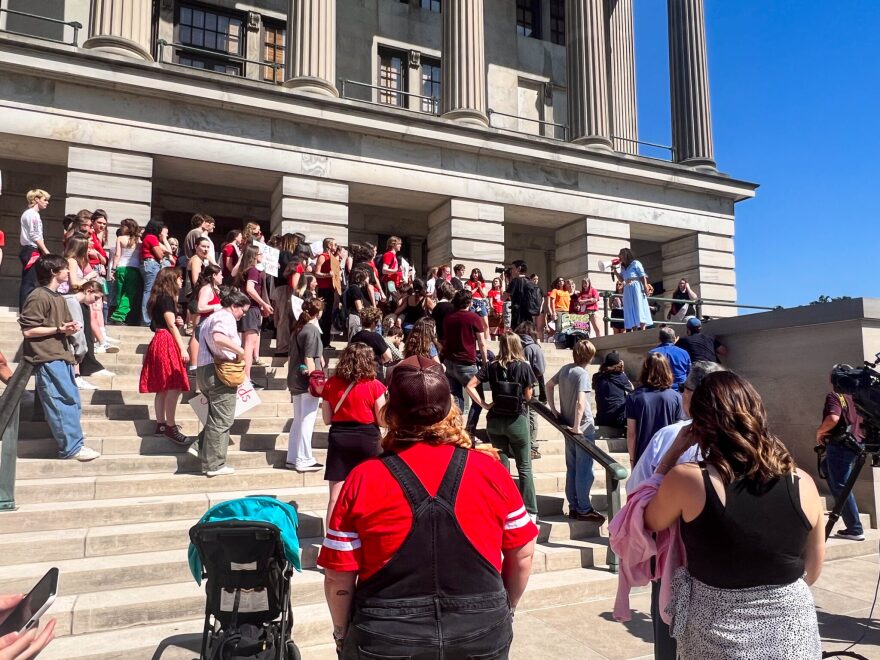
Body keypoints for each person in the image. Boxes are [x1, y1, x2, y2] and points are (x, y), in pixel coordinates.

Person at [319, 355, 538, 658]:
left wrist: (341, 633)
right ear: (450, 408)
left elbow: (338, 578)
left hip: (387, 633)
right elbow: (523, 553)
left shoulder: (363, 478)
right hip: (480, 628)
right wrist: (504, 610)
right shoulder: (491, 470)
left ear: (390, 411)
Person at [644, 371, 824, 659]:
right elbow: (813, 569)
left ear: (700, 425)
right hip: (793, 630)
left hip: (717, 632)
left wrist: (673, 452)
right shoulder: (803, 482)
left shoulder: (688, 480)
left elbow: (650, 520)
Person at [19, 255, 99, 461]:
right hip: (47, 356)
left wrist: (68, 331)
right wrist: (59, 329)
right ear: (54, 272)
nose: (68, 272)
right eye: (64, 269)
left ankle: (73, 439)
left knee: (70, 400)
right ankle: (71, 447)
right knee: (61, 400)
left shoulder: (58, 297)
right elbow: (28, 331)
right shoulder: (38, 296)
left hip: (62, 354)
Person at [466, 332, 538, 521]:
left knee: (501, 467)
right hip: (517, 420)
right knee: (524, 467)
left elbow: (470, 385)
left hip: (495, 420)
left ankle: (504, 507)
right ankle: (530, 510)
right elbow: (528, 396)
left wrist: (484, 404)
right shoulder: (524, 367)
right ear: (517, 346)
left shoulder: (491, 366)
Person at [628, 361, 724, 492]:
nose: (682, 393)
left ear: (691, 394)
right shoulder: (745, 438)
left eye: (683, 388)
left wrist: (668, 459)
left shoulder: (668, 435)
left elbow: (635, 490)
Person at [320, 342, 387, 524]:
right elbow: (381, 419)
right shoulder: (375, 385)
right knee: (373, 491)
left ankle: (330, 540)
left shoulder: (331, 384)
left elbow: (327, 419)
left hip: (339, 438)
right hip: (368, 439)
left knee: (336, 495)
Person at [189, 287, 250, 477]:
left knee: (216, 417)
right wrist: (241, 352)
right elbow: (219, 337)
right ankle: (214, 464)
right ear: (234, 306)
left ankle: (200, 446)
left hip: (205, 370)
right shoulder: (226, 317)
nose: (243, 315)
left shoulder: (210, 318)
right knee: (223, 419)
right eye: (243, 310)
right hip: (220, 372)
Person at [546, 339, 606, 524]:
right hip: (582, 428)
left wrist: (554, 410)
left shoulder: (565, 369)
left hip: (566, 424)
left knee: (572, 468)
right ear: (589, 356)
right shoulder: (582, 374)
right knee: (585, 470)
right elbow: (581, 402)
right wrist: (577, 426)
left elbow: (548, 384)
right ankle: (584, 508)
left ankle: (574, 506)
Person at [138, 267, 192, 446]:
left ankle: (161, 424)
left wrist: (177, 320)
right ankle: (170, 426)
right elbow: (171, 325)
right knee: (173, 385)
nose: (181, 281)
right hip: (166, 341)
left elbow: (166, 322)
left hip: (158, 339)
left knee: (162, 388)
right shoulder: (167, 298)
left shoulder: (157, 298)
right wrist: (183, 348)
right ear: (172, 279)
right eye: (179, 278)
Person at [816, 366, 866, 541]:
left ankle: (855, 528)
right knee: (827, 468)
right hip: (856, 444)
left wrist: (820, 432)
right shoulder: (858, 397)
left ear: (834, 379)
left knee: (841, 486)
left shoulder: (835, 396)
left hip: (841, 445)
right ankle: (850, 521)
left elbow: (833, 419)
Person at [287, 299, 326, 473]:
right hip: (306, 381)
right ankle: (303, 458)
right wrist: (315, 379)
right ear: (319, 313)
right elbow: (309, 357)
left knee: (298, 419)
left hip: (295, 378)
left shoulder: (298, 329)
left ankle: (293, 456)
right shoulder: (312, 330)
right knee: (307, 420)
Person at [626, 353, 684, 467]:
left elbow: (631, 434)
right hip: (667, 458)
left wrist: (632, 460)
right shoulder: (676, 397)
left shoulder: (634, 396)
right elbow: (679, 432)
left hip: (643, 458)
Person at [442, 289, 488, 416]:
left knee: (456, 400)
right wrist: (485, 363)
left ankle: (457, 428)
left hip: (450, 362)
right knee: (478, 400)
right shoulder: (474, 318)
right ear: (469, 302)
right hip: (466, 363)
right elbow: (482, 343)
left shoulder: (448, 317)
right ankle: (470, 431)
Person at [234, 244, 273, 380]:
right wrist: (264, 304)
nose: (262, 256)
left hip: (249, 309)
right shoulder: (253, 270)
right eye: (260, 254)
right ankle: (246, 378)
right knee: (249, 345)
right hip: (252, 309)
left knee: (246, 345)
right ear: (254, 256)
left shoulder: (248, 270)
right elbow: (250, 289)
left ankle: (244, 377)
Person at [515, 321, 546, 460]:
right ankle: (532, 447)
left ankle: (519, 444)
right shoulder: (534, 347)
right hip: (532, 385)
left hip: (516, 385)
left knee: (521, 414)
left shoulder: (514, 345)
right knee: (532, 415)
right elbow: (540, 369)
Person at [19, 189, 52, 309]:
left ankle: (27, 309)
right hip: (31, 250)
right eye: (45, 200)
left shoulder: (31, 214)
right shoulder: (32, 214)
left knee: (31, 281)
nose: (47, 202)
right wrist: (46, 251)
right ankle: (25, 310)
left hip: (31, 250)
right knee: (29, 282)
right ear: (36, 199)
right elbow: (35, 235)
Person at [188, 264, 223, 372]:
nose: (222, 277)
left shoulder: (212, 289)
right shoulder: (206, 289)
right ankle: (195, 367)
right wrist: (217, 307)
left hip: (210, 325)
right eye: (220, 275)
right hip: (205, 324)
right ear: (214, 275)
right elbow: (200, 307)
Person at [108, 218, 142, 325]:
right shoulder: (139, 241)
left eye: (123, 226)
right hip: (134, 269)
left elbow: (117, 255)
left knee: (120, 293)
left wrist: (113, 269)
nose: (121, 228)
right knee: (129, 294)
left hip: (121, 268)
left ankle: (117, 316)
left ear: (128, 227)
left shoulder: (120, 238)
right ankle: (119, 316)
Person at [140, 218, 173, 326]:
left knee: (149, 292)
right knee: (149, 292)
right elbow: (159, 254)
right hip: (151, 264)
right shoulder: (152, 237)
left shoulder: (147, 237)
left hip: (148, 264)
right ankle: (146, 320)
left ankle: (147, 319)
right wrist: (163, 251)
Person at [613, 248, 652, 331]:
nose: (619, 256)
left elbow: (642, 275)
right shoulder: (623, 267)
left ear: (626, 255)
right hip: (627, 288)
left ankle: (642, 328)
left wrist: (645, 286)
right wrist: (615, 270)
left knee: (639, 306)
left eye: (621, 254)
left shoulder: (635, 263)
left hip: (636, 286)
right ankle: (634, 329)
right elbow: (621, 279)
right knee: (629, 307)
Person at [592, 351, 633, 429]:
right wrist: (623, 372)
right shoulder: (620, 376)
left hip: (601, 419)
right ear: (619, 364)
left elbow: (594, 387)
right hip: (617, 420)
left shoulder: (596, 376)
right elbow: (632, 389)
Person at [314, 237, 338, 347]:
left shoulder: (333, 258)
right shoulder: (322, 257)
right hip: (323, 289)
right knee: (323, 316)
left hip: (331, 289)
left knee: (328, 316)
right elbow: (317, 273)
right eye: (334, 244)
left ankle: (326, 342)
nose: (336, 246)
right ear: (329, 245)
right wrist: (327, 275)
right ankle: (321, 342)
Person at [342, 267, 370, 339]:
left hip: (354, 317)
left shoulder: (354, 288)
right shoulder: (355, 289)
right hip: (355, 318)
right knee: (354, 341)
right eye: (367, 276)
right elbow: (359, 308)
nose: (368, 278)